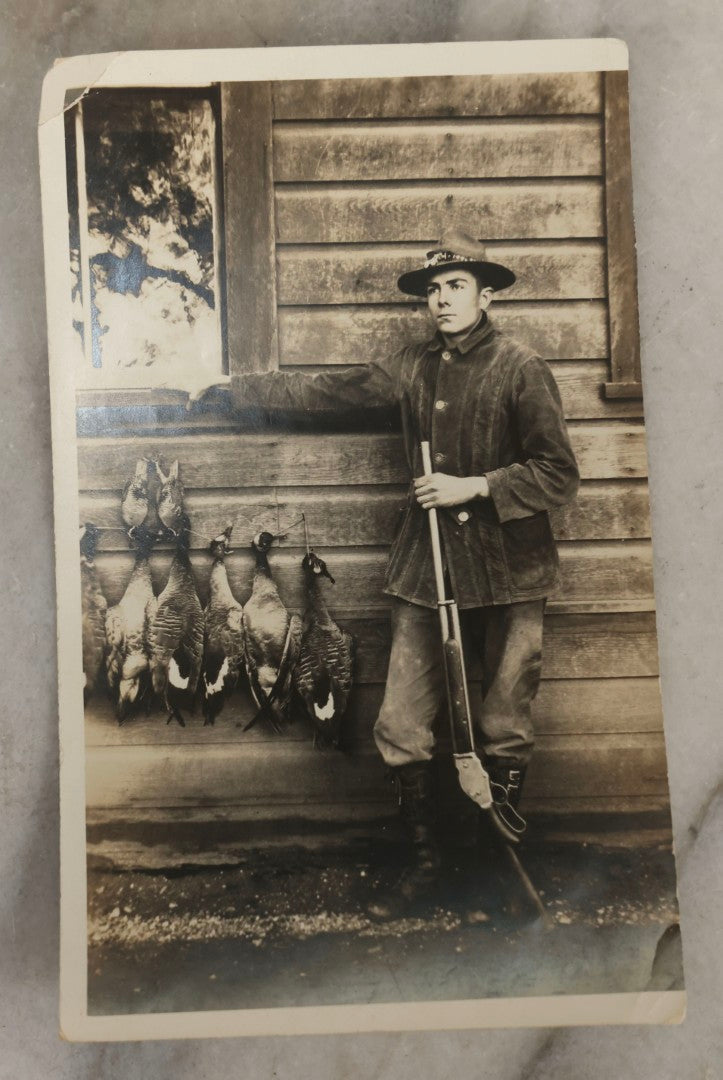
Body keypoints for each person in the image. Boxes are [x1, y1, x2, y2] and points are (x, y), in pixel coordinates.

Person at [222, 228, 580, 917]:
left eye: (454, 287)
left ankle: (492, 877)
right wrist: (234, 390)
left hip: (510, 569)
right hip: (427, 570)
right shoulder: (410, 366)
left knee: (503, 719)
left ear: (487, 292)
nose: (440, 301)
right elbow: (330, 391)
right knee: (403, 721)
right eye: (432, 291)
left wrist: (471, 486)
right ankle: (425, 870)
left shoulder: (520, 366)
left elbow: (557, 474)